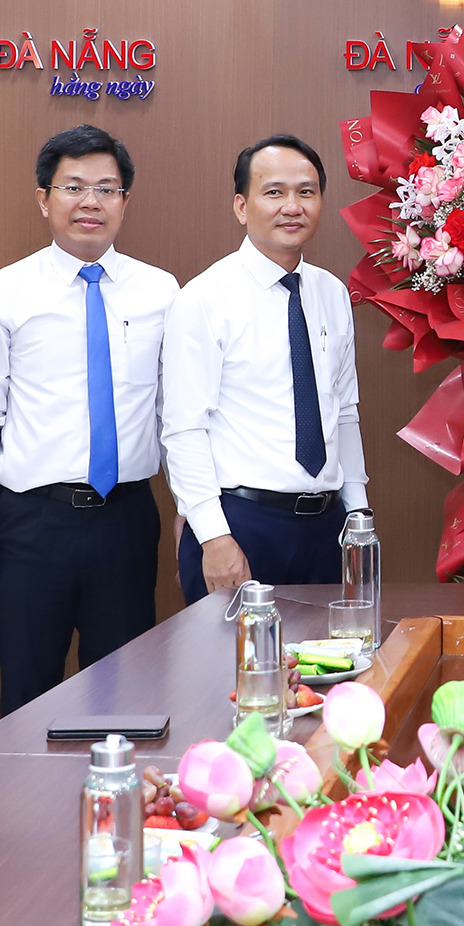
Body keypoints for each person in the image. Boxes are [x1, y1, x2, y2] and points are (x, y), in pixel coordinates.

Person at [0, 126, 176, 715]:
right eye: (73, 186)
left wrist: (191, 511)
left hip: (127, 520)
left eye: (106, 188)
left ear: (125, 200)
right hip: (30, 526)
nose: (90, 202)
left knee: (124, 702)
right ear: (43, 198)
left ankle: (118, 809)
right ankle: (31, 813)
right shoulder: (4, 292)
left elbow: (173, 413)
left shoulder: (161, 291)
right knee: (29, 699)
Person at [165, 135, 369, 603]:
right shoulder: (204, 298)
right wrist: (214, 537)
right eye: (274, 192)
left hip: (327, 529)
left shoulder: (332, 292)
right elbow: (183, 429)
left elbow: (344, 412)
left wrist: (358, 519)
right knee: (231, 674)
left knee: (327, 670)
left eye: (307, 191)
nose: (292, 206)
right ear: (241, 206)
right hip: (242, 523)